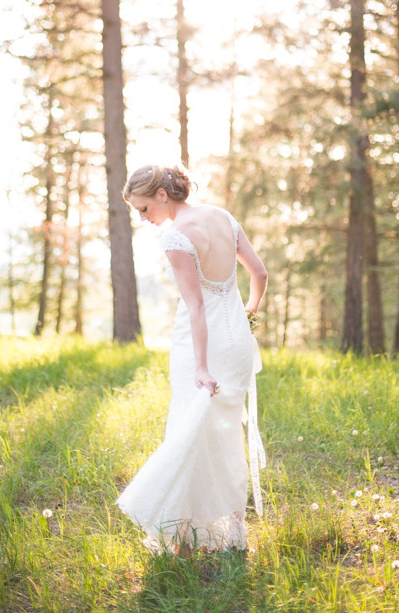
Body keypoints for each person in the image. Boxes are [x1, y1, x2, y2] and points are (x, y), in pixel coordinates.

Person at [116, 165, 267, 554]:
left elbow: (196, 306)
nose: (143, 217)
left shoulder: (177, 237)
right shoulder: (224, 217)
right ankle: (230, 530)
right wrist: (247, 314)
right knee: (225, 433)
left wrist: (200, 367)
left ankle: (179, 535)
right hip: (236, 343)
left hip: (200, 346)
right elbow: (260, 273)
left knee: (187, 428)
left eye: (143, 208)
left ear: (162, 196)